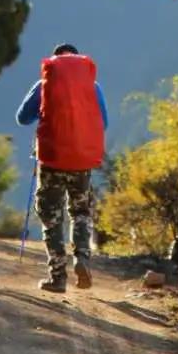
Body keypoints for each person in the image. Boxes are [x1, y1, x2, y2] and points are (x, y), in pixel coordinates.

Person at [16, 43, 107, 294]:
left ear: (54, 63)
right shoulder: (92, 86)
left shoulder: (44, 84)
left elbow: (22, 118)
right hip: (81, 160)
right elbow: (104, 122)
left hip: (52, 159)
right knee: (81, 211)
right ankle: (82, 258)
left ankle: (58, 277)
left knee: (51, 214)